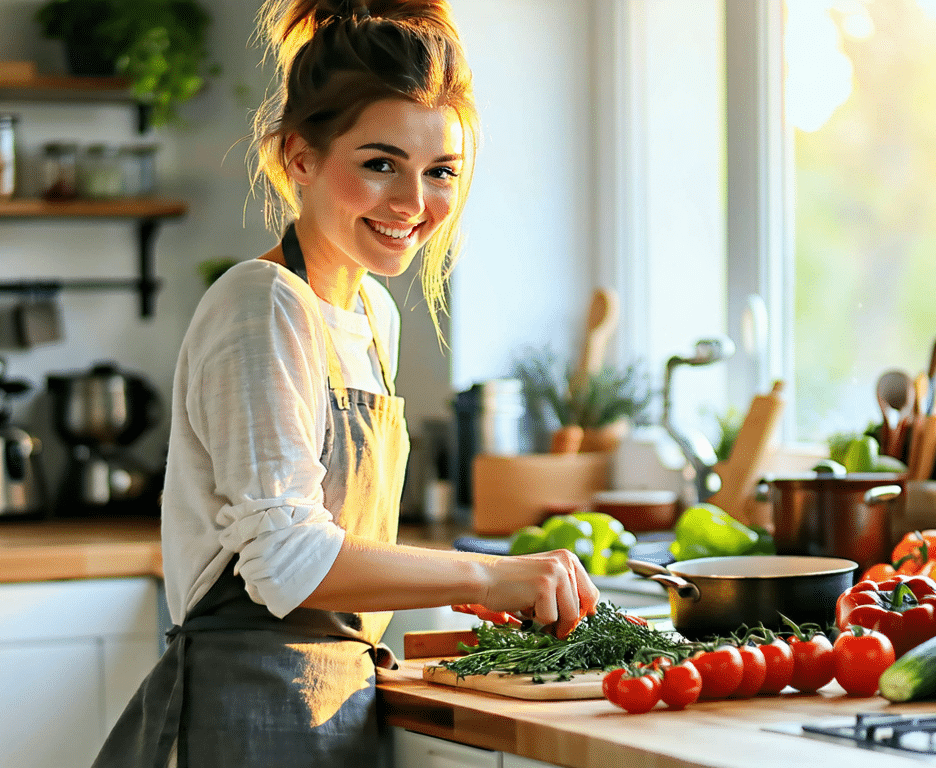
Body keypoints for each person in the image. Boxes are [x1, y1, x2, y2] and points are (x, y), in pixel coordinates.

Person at [91, 1, 599, 766]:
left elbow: (335, 545)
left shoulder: (369, 313)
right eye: (379, 163)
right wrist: (490, 575)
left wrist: (453, 582)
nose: (412, 204)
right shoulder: (261, 305)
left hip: (340, 704)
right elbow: (287, 561)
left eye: (441, 173)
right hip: (246, 711)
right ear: (299, 157)